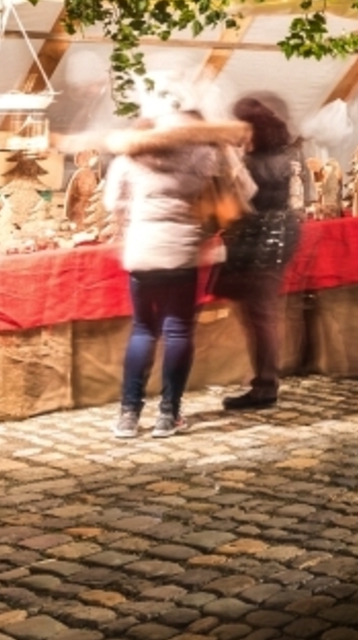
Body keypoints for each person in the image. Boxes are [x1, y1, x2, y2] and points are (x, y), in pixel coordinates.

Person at [106, 111, 254, 439]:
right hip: (182, 251)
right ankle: (168, 413)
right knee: (177, 332)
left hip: (142, 251)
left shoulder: (129, 159)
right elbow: (242, 187)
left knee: (143, 330)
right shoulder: (202, 155)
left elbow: (113, 203)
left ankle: (128, 415)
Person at [215, 95, 312, 412]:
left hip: (261, 240)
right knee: (263, 314)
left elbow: (239, 204)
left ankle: (265, 385)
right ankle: (263, 378)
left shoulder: (254, 163)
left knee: (260, 316)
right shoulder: (286, 153)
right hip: (279, 234)